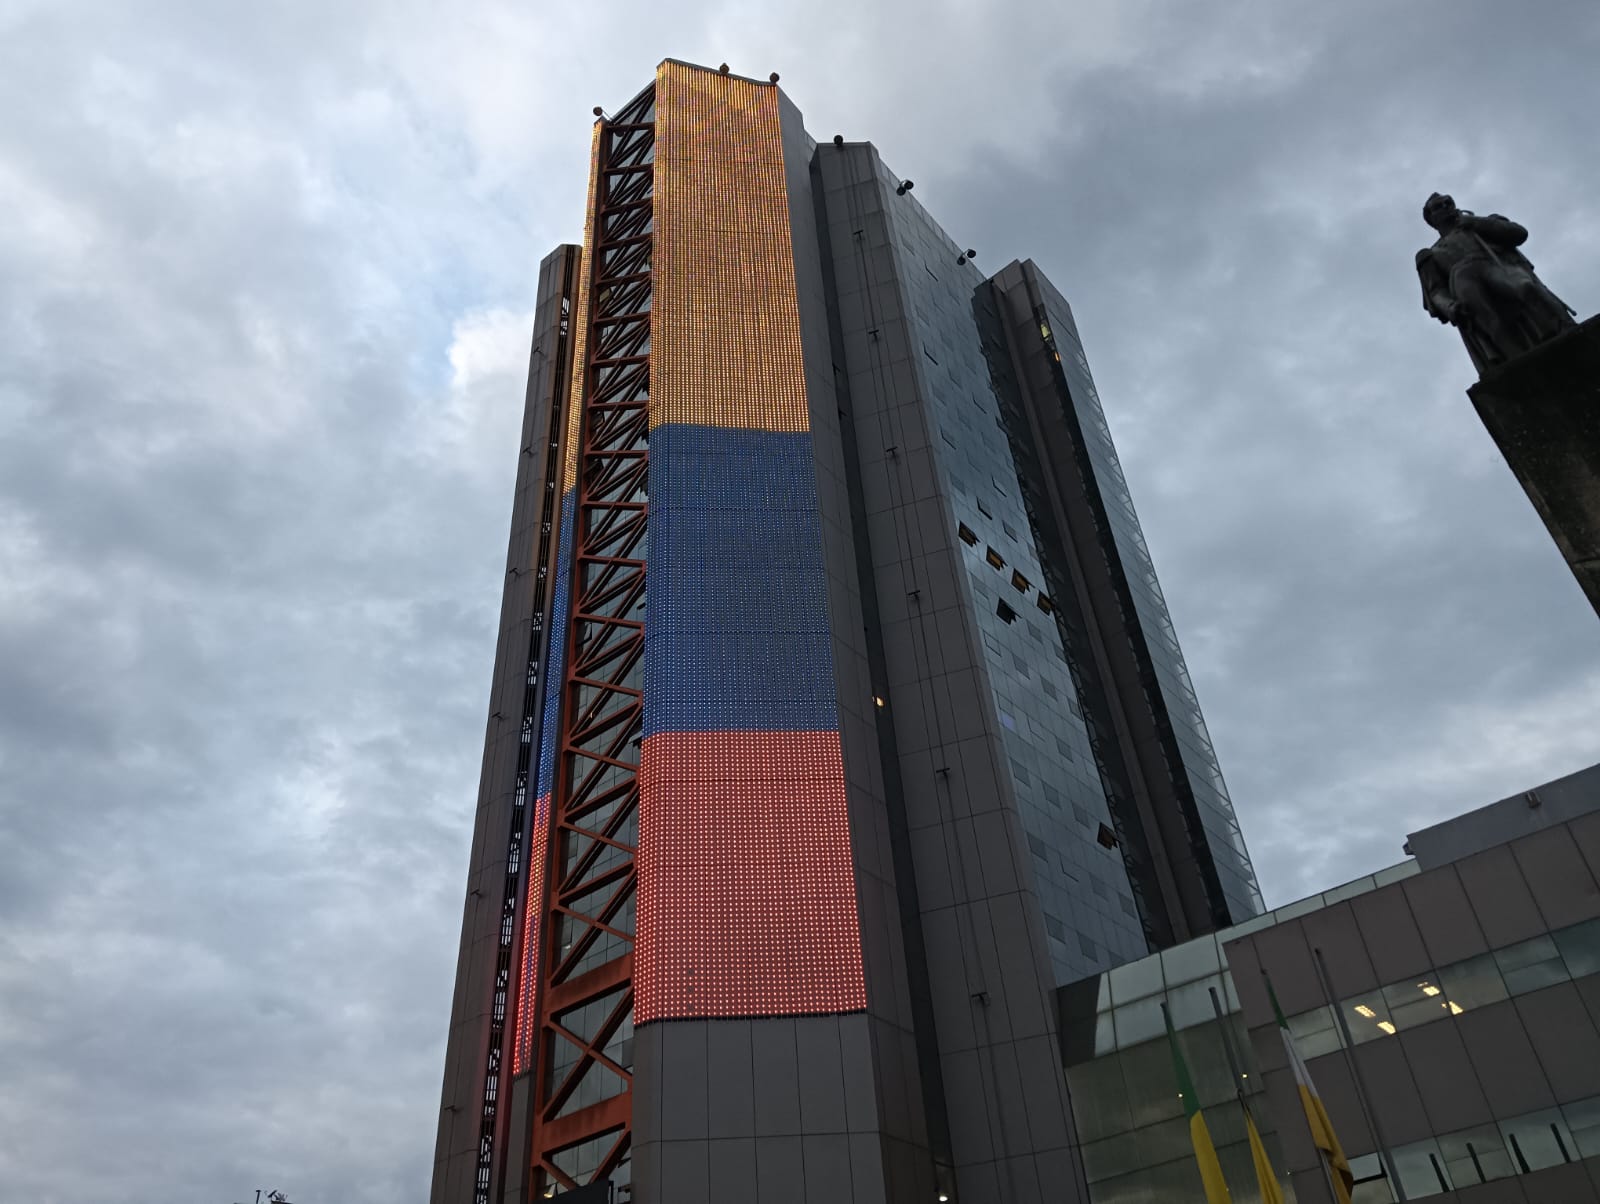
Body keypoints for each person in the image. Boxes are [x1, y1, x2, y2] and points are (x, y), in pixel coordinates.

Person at [1416, 192, 1576, 374]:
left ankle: (1561, 331)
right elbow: (1435, 291)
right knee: (1488, 319)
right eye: (1439, 206)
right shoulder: (1431, 254)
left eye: (1448, 202)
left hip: (1495, 266)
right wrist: (1450, 306)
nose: (1446, 207)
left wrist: (1474, 222)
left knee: (1525, 287)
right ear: (1431, 219)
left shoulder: (1478, 225)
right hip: (1462, 279)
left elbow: (1518, 234)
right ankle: (1516, 362)